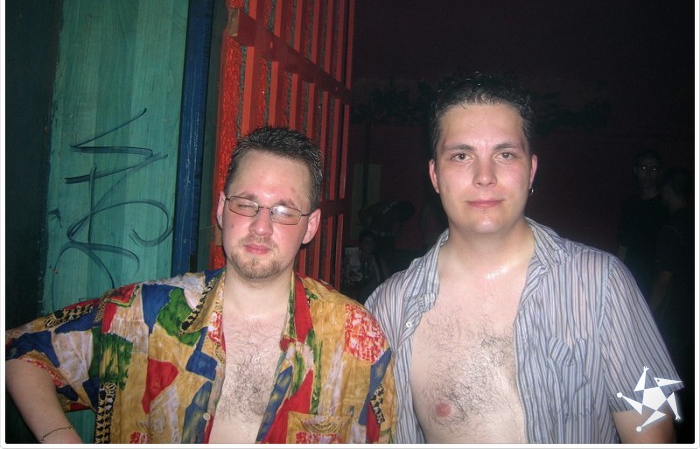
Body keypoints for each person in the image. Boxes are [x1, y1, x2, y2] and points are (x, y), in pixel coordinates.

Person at [5, 126, 397, 444]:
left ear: (310, 226)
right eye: (246, 204)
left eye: (283, 211)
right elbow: (20, 351)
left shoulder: (354, 337)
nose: (261, 227)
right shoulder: (143, 314)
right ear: (222, 209)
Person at [365, 74, 682, 444]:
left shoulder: (604, 285)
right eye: (462, 156)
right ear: (435, 175)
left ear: (531, 170)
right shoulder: (390, 309)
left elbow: (653, 426)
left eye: (505, 154)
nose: (485, 176)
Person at [649, 166, 695, 443]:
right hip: (691, 314)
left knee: (664, 379)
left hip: (673, 318)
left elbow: (663, 280)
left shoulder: (672, 227)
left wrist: (648, 317)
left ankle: (668, 434)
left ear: (667, 191)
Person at [616, 149, 667, 300]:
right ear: (636, 170)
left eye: (653, 169)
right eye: (644, 168)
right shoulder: (630, 205)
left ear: (660, 172)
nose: (648, 173)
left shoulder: (666, 206)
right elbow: (623, 247)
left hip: (656, 277)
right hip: (632, 275)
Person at [340, 229, 390, 304]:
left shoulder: (378, 260)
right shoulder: (352, 257)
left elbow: (388, 278)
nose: (370, 246)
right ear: (360, 244)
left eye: (372, 244)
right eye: (367, 243)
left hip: (375, 297)